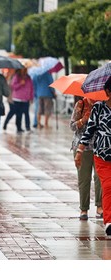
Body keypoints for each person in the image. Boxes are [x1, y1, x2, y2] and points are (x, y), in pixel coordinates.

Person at [75, 77, 111, 235]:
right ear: (108, 92)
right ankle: (109, 221)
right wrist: (79, 151)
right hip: (102, 156)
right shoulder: (98, 108)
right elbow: (89, 131)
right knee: (108, 186)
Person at [70, 96, 102, 220]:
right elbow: (72, 126)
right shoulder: (81, 104)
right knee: (84, 179)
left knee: (100, 178)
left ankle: (100, 207)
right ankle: (84, 209)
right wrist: (83, 120)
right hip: (82, 148)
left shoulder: (102, 105)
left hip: (99, 147)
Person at [5, 68, 34, 133]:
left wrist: (31, 97)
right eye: (23, 69)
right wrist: (20, 83)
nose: (24, 71)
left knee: (26, 113)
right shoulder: (16, 77)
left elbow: (31, 87)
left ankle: (28, 127)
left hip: (26, 99)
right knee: (19, 114)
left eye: (25, 69)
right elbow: (13, 86)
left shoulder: (28, 78)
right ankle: (19, 127)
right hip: (17, 98)